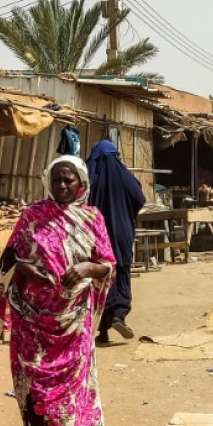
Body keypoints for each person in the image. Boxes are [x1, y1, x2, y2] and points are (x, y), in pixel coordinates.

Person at [0, 156, 116, 426]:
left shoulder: (92, 218)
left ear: (81, 182)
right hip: (32, 330)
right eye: (57, 180)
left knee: (68, 404)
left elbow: (108, 265)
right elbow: (10, 260)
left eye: (69, 180)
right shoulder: (32, 216)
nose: (63, 185)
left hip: (73, 328)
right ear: (47, 182)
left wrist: (85, 268)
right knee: (37, 402)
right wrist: (25, 270)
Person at [87, 140, 147, 343]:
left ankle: (102, 330)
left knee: (100, 277)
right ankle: (119, 314)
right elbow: (139, 198)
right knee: (121, 272)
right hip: (122, 232)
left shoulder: (89, 177)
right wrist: (127, 213)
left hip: (97, 236)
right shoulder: (124, 176)